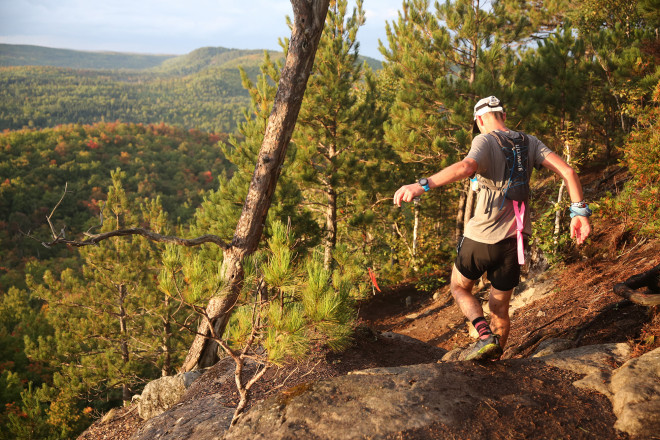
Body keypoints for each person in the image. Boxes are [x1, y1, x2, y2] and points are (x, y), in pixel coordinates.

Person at [393, 96, 592, 361]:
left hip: (482, 237)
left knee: (459, 287)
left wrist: (422, 185)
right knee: (500, 307)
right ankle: (494, 361)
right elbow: (567, 171)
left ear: (479, 120)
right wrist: (579, 213)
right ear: (504, 115)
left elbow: (466, 167)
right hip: (515, 240)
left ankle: (484, 337)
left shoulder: (484, 140)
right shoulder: (530, 142)